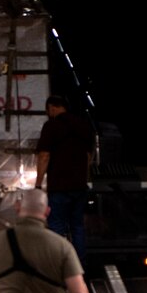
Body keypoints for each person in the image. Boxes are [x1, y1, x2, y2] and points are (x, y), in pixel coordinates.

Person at [34, 95, 94, 267]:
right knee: (77, 226)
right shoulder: (83, 125)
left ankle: (57, 267)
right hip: (79, 186)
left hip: (59, 186)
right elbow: (88, 157)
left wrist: (38, 184)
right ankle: (79, 267)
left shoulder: (51, 126)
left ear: (52, 108)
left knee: (56, 227)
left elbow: (44, 155)